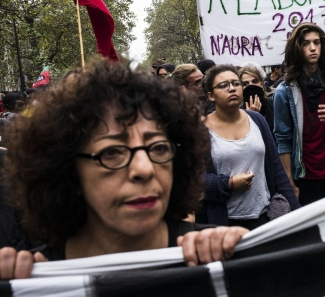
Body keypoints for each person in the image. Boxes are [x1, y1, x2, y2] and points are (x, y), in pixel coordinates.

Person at [0, 60, 247, 279]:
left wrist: (243, 263)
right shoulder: (33, 279)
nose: (144, 169)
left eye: (159, 148)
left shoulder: (219, 257)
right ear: (69, 172)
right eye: (112, 152)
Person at [200, 65, 299, 229]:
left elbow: (276, 169)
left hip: (264, 217)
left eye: (236, 83)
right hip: (226, 224)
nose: (232, 88)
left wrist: (297, 214)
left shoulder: (257, 120)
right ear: (211, 95)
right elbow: (193, 181)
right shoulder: (200, 130)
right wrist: (228, 184)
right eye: (223, 85)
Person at [273, 22, 325, 206]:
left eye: (317, 42)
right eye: (306, 43)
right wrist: (290, 183)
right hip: (304, 176)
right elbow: (283, 140)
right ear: (297, 48)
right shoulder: (284, 92)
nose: (313, 48)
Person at [239, 65, 275, 133]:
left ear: (261, 84)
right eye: (245, 84)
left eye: (255, 81)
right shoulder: (238, 112)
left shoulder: (273, 103)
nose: (251, 85)